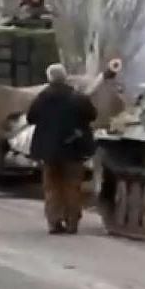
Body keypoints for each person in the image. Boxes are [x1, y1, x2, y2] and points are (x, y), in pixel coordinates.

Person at [26, 63, 98, 234]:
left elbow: (31, 118)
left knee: (52, 187)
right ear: (65, 77)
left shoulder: (42, 98)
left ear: (49, 78)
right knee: (72, 186)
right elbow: (92, 115)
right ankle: (72, 222)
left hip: (49, 152)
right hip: (73, 149)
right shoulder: (77, 97)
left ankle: (54, 222)